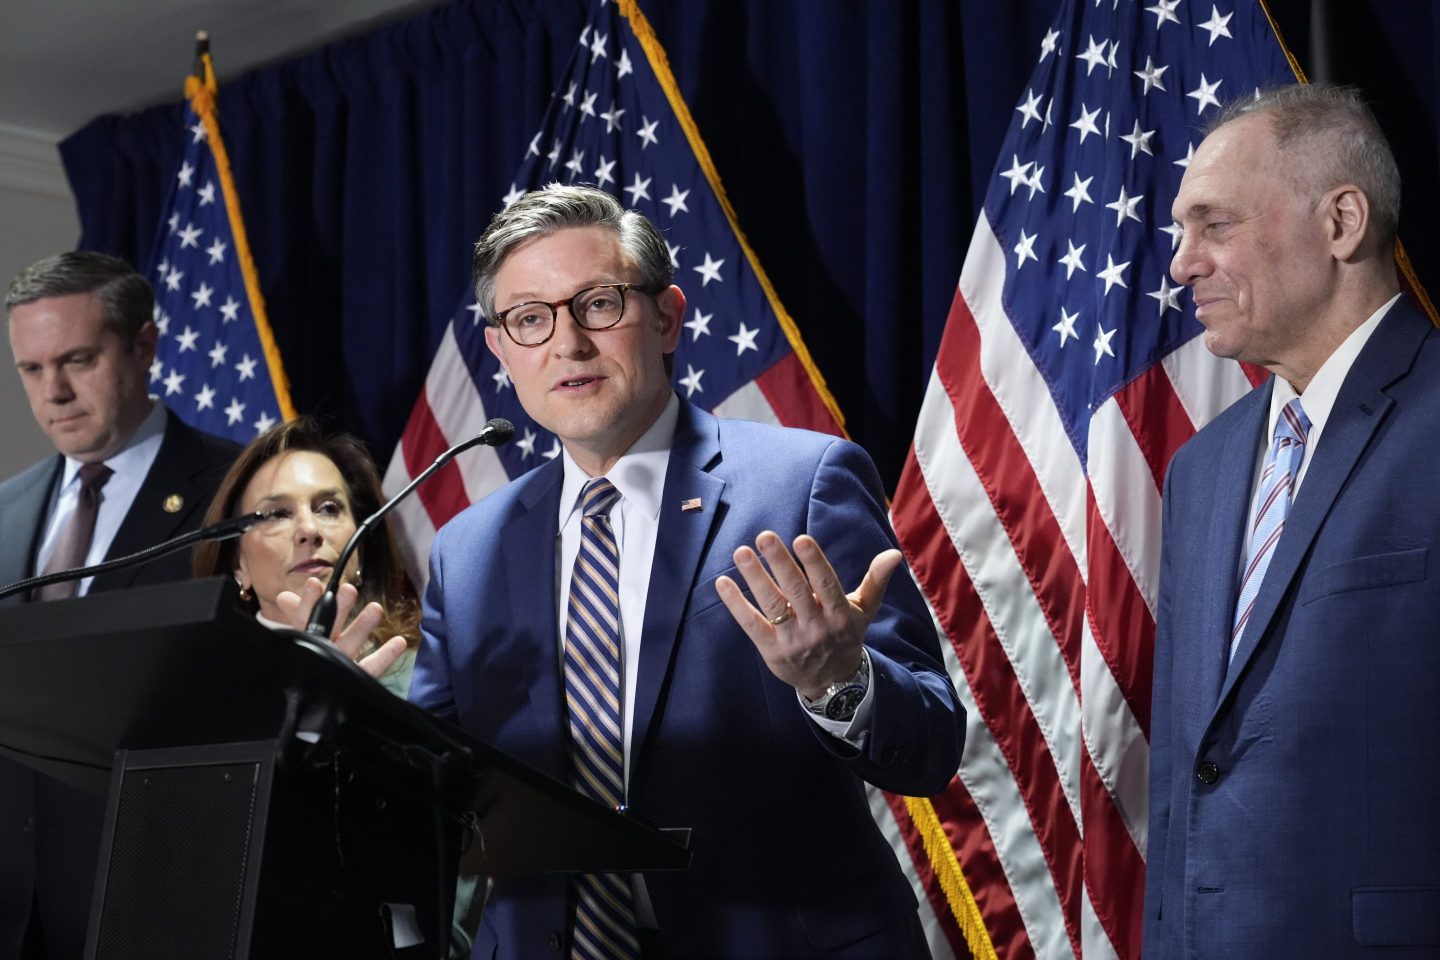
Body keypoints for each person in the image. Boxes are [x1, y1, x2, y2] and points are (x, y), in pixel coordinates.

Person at [409, 183, 964, 959]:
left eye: (598, 305)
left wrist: (837, 683)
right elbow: (431, 794)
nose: (566, 344)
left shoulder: (802, 481)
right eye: (530, 319)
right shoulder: (467, 553)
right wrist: (321, 707)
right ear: (501, 350)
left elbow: (932, 744)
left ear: (667, 316)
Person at [1144, 84, 1438, 956]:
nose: (1181, 264)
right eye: (1180, 233)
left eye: (1215, 226)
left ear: (1342, 221)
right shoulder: (1200, 470)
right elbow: (1182, 782)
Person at [0, 251, 240, 960]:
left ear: (143, 346)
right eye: (31, 370)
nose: (56, 392)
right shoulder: (6, 511)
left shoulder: (240, 491)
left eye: (76, 360)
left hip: (153, 891)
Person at [192, 416, 416, 691]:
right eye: (277, 514)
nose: (309, 529)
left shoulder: (427, 675)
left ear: (362, 546)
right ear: (238, 564)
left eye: (329, 508)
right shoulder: (202, 689)